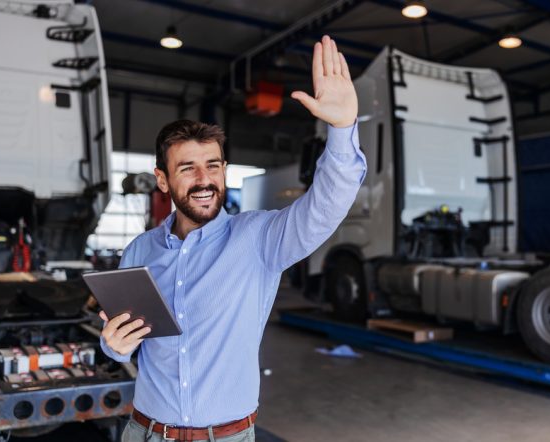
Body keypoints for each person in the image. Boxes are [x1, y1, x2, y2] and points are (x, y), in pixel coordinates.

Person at [98, 35, 366, 442]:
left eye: (213, 165)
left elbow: (326, 206)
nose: (204, 180)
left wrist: (343, 129)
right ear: (163, 181)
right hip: (145, 432)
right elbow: (130, 344)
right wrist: (114, 346)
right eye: (187, 168)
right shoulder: (140, 250)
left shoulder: (259, 238)